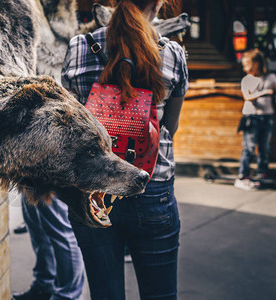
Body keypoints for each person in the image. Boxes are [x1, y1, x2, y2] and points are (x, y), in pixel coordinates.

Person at [61, 0, 188, 299]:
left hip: (93, 191)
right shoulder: (171, 53)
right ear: (159, 3)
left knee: (105, 294)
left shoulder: (80, 46)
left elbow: (68, 121)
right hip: (151, 186)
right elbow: (170, 126)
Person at [12, 194, 85, 300]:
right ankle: (44, 287)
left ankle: (69, 295)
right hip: (28, 179)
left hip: (51, 179)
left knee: (61, 231)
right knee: (37, 225)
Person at [235, 49, 276, 190]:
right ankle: (243, 176)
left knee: (265, 148)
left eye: (246, 64)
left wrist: (272, 93)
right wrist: (265, 92)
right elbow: (247, 97)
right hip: (251, 117)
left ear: (256, 64)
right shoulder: (246, 80)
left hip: (267, 116)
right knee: (248, 148)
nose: (244, 68)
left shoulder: (271, 77)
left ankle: (262, 173)